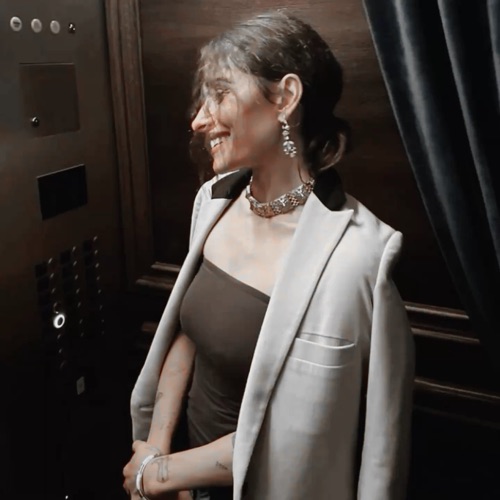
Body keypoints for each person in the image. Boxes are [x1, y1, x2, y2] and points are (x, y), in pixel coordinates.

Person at [123, 10, 415, 500]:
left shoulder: (361, 257)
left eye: (220, 93)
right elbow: (191, 334)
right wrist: (155, 446)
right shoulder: (213, 201)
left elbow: (307, 435)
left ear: (286, 98)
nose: (199, 120)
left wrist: (162, 474)